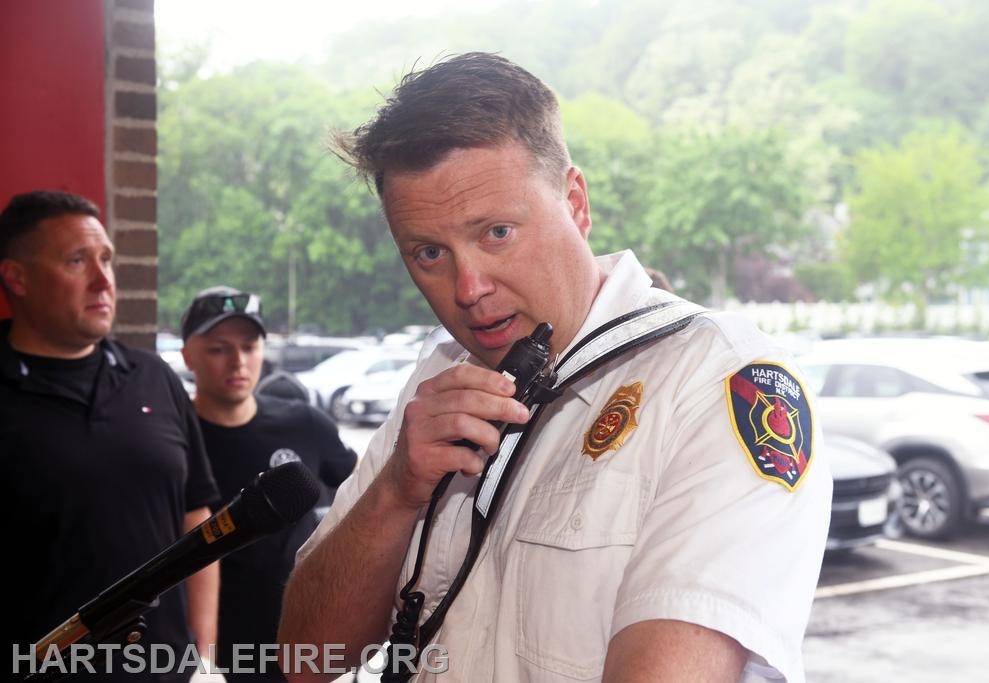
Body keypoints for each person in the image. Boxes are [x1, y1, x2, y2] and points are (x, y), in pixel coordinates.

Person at [278, 53, 831, 682]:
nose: (468, 287)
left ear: (574, 202)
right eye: (429, 252)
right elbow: (304, 659)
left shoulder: (715, 380)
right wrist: (398, 491)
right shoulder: (438, 379)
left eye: (496, 233)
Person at [0, 190, 220, 680]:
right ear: (17, 278)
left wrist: (203, 658)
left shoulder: (153, 377)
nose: (103, 281)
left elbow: (198, 519)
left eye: (107, 260)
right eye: (77, 261)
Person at [180, 286, 358, 680]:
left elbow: (365, 498)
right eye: (218, 349)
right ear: (187, 356)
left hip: (305, 638)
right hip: (210, 648)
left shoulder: (305, 424)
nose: (237, 361)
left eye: (249, 346)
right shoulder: (169, 439)